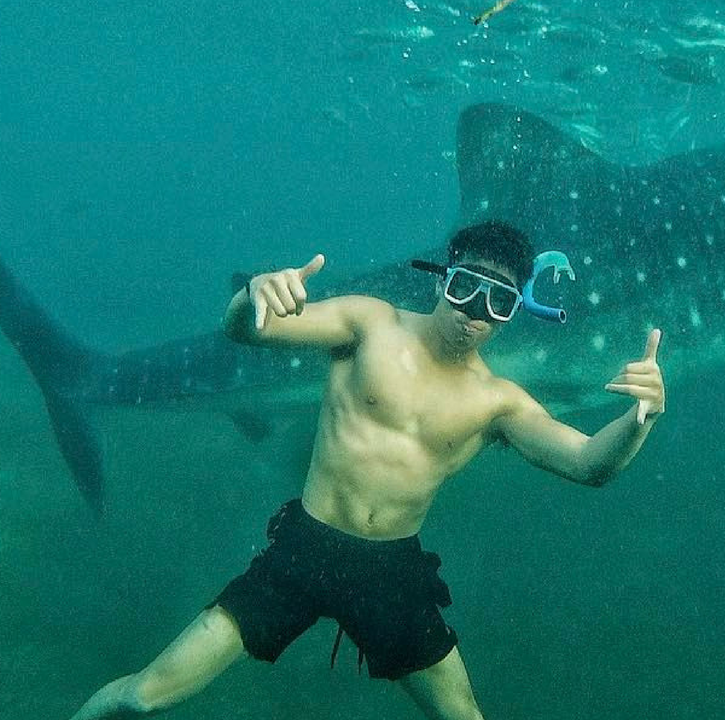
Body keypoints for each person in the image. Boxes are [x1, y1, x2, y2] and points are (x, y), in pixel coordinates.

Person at [69, 220, 666, 720]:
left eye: (499, 301)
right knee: (144, 696)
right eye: (465, 288)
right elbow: (251, 332)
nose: (475, 313)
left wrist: (638, 420)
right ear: (442, 279)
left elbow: (590, 465)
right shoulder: (369, 324)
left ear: (515, 312)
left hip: (392, 573)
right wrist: (253, 294)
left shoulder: (499, 403)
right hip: (302, 551)